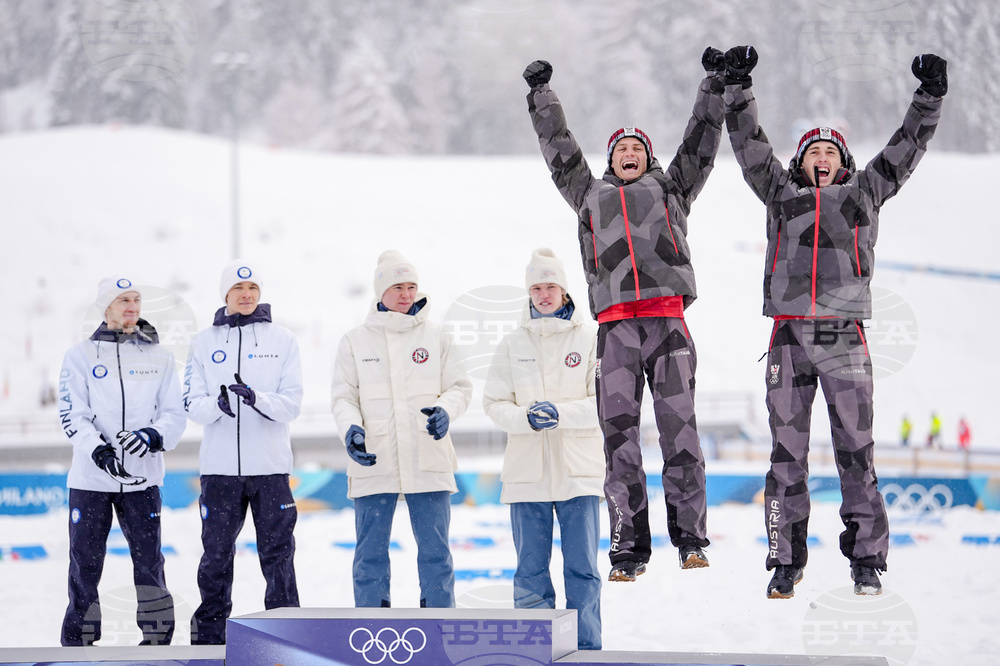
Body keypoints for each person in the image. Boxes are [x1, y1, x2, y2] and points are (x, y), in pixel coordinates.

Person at [721, 45, 947, 598]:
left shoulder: (863, 193)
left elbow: (906, 147)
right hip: (789, 338)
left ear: (842, 161)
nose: (819, 158)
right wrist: (737, 89)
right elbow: (750, 148)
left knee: (856, 454)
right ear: (799, 162)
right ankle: (785, 559)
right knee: (785, 455)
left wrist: (929, 96)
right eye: (811, 152)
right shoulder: (779, 194)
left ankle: (866, 561)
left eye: (829, 151)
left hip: (845, 337)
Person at [522, 49, 726, 581]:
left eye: (637, 148)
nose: (629, 154)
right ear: (611, 160)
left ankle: (691, 540)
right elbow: (560, 153)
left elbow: (701, 143)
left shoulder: (671, 189)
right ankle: (628, 548)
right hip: (615, 331)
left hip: (667, 325)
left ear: (649, 159)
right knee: (619, 440)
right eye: (621, 149)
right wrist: (542, 95)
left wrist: (713, 84)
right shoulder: (589, 194)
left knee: (680, 434)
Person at [332, 250, 472, 608]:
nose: (406, 294)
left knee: (436, 555)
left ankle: (439, 625)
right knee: (370, 558)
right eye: (398, 287)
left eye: (411, 286)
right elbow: (344, 396)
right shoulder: (354, 341)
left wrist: (446, 409)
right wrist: (351, 429)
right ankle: (371, 629)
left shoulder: (438, 336)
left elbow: (459, 387)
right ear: (381, 291)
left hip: (427, 458)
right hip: (373, 461)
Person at [483, 248, 604, 650]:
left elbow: (605, 401)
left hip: (578, 473)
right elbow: (494, 403)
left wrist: (561, 414)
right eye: (536, 287)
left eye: (551, 286)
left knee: (583, 571)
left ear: (565, 290)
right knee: (530, 572)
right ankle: (536, 652)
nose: (544, 294)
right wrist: (526, 419)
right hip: (526, 474)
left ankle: (586, 651)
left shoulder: (590, 338)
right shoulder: (512, 342)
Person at [58, 276, 185, 646]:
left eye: (136, 300)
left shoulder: (160, 356)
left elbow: (174, 414)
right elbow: (72, 414)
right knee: (85, 564)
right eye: (123, 300)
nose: (131, 307)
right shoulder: (79, 356)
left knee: (149, 564)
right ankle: (78, 641)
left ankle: (158, 641)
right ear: (106, 307)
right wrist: (99, 451)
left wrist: (152, 436)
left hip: (142, 482)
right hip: (90, 481)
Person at [183, 260, 303, 644]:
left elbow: (292, 404)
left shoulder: (283, 340)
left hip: (269, 468)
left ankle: (286, 636)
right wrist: (218, 405)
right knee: (215, 557)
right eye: (238, 288)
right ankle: (210, 639)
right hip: (219, 471)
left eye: (252, 288)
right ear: (226, 295)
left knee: (278, 556)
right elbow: (190, 403)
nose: (246, 294)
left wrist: (256, 399)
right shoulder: (203, 342)